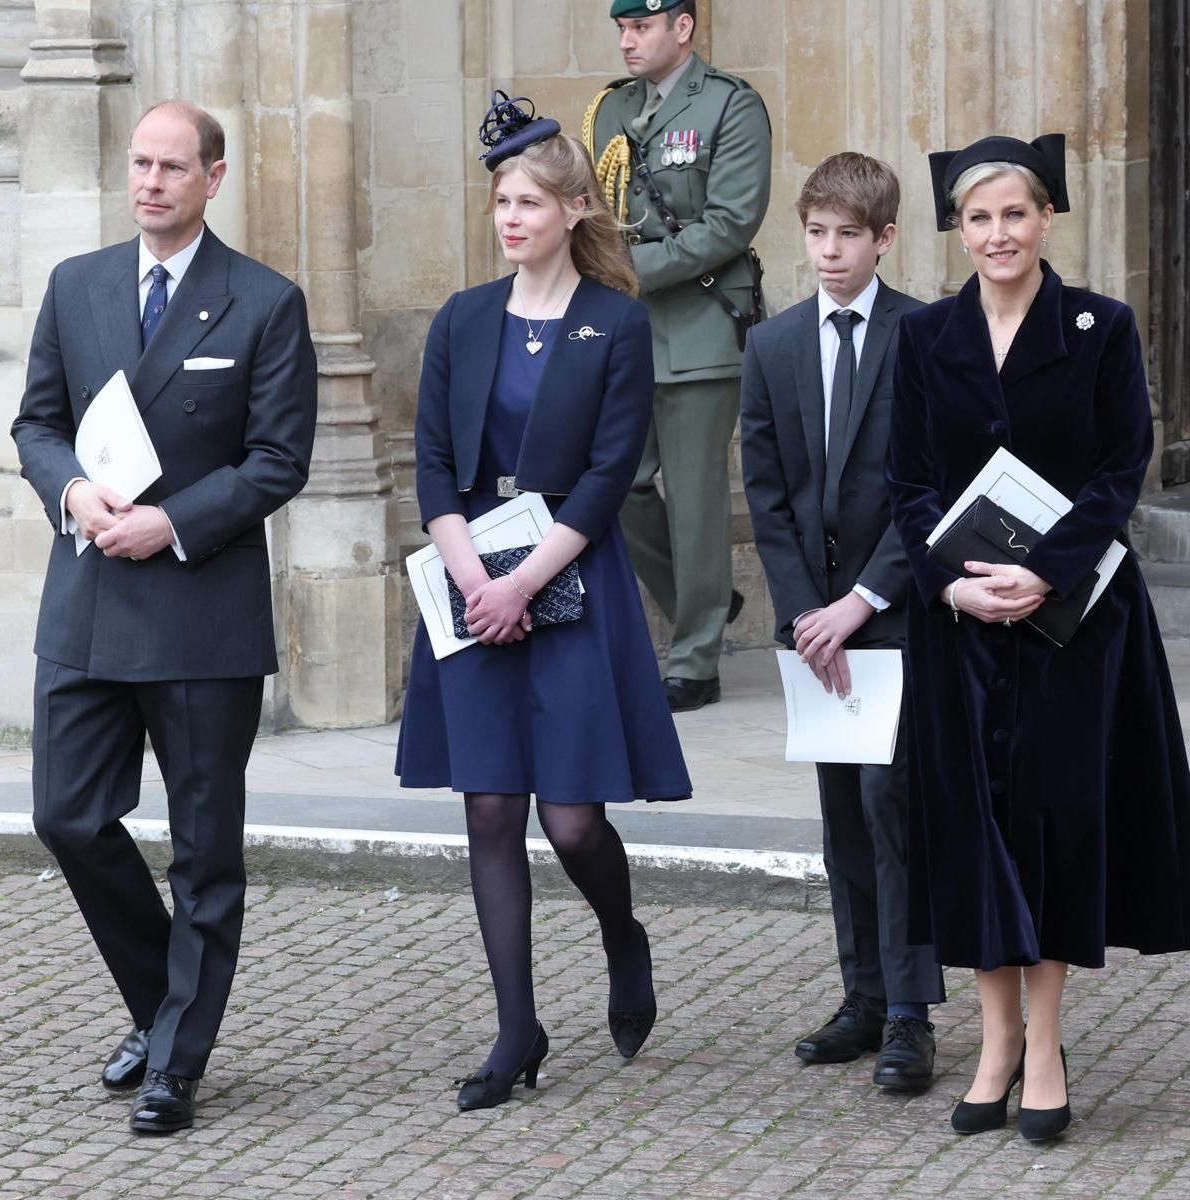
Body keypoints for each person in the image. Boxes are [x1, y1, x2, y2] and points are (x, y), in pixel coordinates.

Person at [11, 100, 318, 1134]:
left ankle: (176, 1063)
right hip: (90, 595)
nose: (151, 181)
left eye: (173, 166)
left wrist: (173, 524)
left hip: (200, 609)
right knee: (67, 817)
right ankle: (164, 1006)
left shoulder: (265, 302)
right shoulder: (77, 284)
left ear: (214, 178)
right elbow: (37, 422)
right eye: (140, 163)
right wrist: (71, 495)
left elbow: (280, 460)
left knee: (203, 851)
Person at [887, 133, 1190, 1141]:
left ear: (1046, 218)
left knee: (1056, 828)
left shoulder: (1102, 326)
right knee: (973, 827)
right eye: (979, 217)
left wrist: (1046, 569)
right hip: (962, 628)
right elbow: (908, 483)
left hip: (1077, 626)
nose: (998, 233)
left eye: (1015, 213)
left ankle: (1048, 1042)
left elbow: (1121, 465)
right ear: (959, 229)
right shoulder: (926, 337)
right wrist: (950, 585)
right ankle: (995, 1038)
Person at [395, 95, 691, 1112]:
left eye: (530, 201)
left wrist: (526, 579)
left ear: (573, 210)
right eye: (500, 203)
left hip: (572, 577)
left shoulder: (618, 323)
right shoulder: (462, 319)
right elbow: (432, 463)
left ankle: (623, 933)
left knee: (569, 822)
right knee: (489, 810)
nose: (511, 217)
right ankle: (516, 1026)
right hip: (471, 583)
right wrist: (476, 578)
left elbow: (611, 476)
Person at [741, 153, 945, 1091]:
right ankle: (861, 996)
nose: (829, 251)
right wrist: (803, 614)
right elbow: (768, 493)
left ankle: (910, 1011)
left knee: (891, 811)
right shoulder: (772, 346)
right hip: (814, 629)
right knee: (839, 817)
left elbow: (928, 497)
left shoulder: (925, 338)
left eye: (848, 236)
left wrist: (863, 599)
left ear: (885, 239)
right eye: (816, 232)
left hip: (894, 614)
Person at [583, 0, 772, 711]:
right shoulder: (610, 111)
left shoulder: (730, 106)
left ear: (682, 27)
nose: (627, 42)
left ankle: (695, 659)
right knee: (618, 483)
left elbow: (729, 222)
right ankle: (705, 598)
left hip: (700, 326)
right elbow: (598, 209)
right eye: (622, 30)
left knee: (695, 502)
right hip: (629, 333)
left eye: (641, 27)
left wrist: (628, 269)